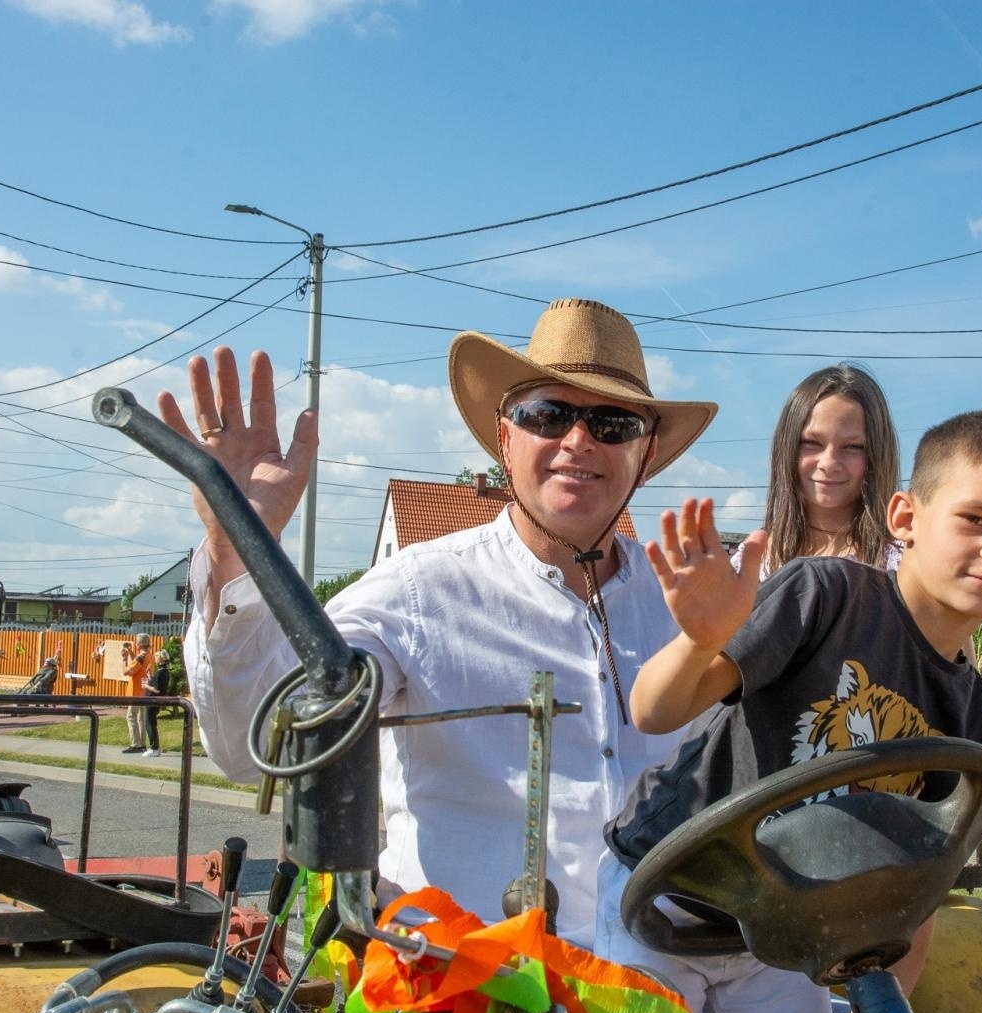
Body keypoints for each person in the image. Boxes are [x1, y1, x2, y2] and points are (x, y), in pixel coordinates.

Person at [157, 297, 717, 946]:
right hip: (461, 1011)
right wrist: (237, 544)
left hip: (664, 1010)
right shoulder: (419, 591)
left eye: (613, 423)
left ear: (645, 454)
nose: (577, 440)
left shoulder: (695, 607)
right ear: (506, 438)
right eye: (548, 414)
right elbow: (256, 746)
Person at [598, 409, 982, 1013]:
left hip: (779, 932)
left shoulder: (969, 726)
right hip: (665, 893)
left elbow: (914, 901)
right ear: (905, 518)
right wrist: (700, 639)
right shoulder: (824, 597)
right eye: (976, 520)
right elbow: (653, 710)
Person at [732, 364, 901, 580]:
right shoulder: (753, 560)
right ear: (787, 447)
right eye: (811, 443)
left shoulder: (906, 563)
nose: (829, 462)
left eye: (853, 447)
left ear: (878, 454)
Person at [120, 633, 151, 754]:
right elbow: (138, 663)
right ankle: (142, 743)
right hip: (145, 690)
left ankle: (135, 743)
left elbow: (127, 671)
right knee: (141, 718)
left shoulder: (140, 658)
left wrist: (123, 659)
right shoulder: (149, 655)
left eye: (137, 642)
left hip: (136, 691)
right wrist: (130, 653)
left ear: (141, 644)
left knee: (131, 716)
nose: (136, 644)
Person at [140, 647, 171, 757]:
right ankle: (154, 746)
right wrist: (150, 675)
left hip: (152, 701)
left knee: (150, 723)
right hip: (155, 701)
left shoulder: (161, 673)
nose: (155, 660)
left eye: (157, 658)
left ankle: (154, 747)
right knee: (151, 723)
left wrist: (146, 686)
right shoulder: (164, 672)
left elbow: (157, 689)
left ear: (161, 660)